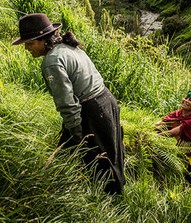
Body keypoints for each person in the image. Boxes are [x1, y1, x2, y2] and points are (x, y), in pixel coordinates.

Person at [12, 13, 125, 194]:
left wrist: (79, 135)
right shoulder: (67, 47)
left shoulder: (52, 61)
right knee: (101, 153)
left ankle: (108, 199)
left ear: (43, 40)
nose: (26, 48)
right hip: (106, 101)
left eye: (30, 43)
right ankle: (71, 191)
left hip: (92, 110)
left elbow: (67, 104)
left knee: (98, 159)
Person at [155, 91, 191, 183]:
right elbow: (162, 123)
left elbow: (174, 132)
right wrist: (147, 129)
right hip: (184, 150)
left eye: (190, 100)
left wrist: (154, 136)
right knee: (182, 177)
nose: (186, 100)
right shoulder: (178, 114)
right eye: (186, 98)